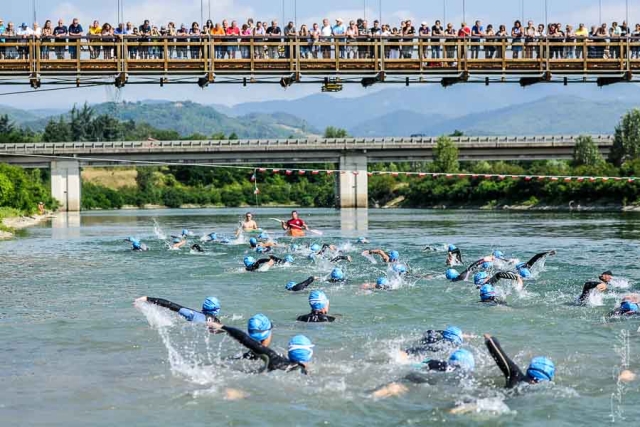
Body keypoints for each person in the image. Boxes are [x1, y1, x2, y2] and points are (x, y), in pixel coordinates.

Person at [208, 319, 313, 374]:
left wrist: (222, 327)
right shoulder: (304, 372)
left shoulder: (276, 359)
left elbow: (245, 339)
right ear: (309, 355)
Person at [371, 349, 475, 398]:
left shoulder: (438, 363)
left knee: (403, 382)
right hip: (445, 382)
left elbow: (414, 365)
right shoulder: (464, 372)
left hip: (423, 375)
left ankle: (376, 394)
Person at [484, 334, 555, 388]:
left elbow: (493, 345)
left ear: (529, 370)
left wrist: (490, 338)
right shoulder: (547, 390)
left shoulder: (516, 375)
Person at [135, 295, 221, 323]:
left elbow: (170, 305)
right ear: (217, 310)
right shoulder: (216, 321)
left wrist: (147, 299)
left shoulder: (193, 314)